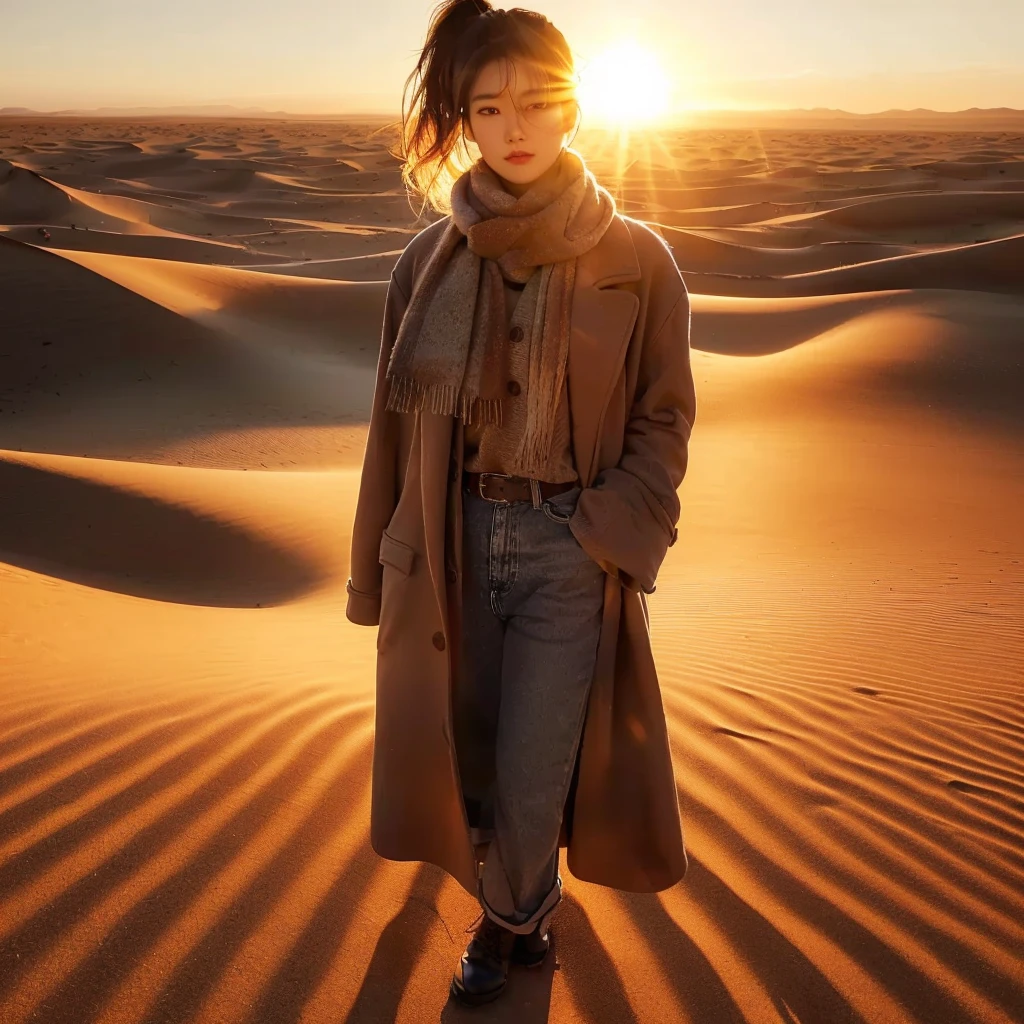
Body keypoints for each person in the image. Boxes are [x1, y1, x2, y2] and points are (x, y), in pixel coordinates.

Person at [345, 0, 697, 1006]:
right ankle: (515, 897)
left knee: (540, 761)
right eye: (490, 105)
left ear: (575, 106)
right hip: (449, 542)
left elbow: (665, 417)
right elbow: (387, 428)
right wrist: (376, 569)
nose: (515, 125)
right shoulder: (426, 264)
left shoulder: (637, 260)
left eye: (538, 101)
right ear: (464, 118)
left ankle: (512, 930)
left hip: (565, 546)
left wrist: (612, 529)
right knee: (468, 761)